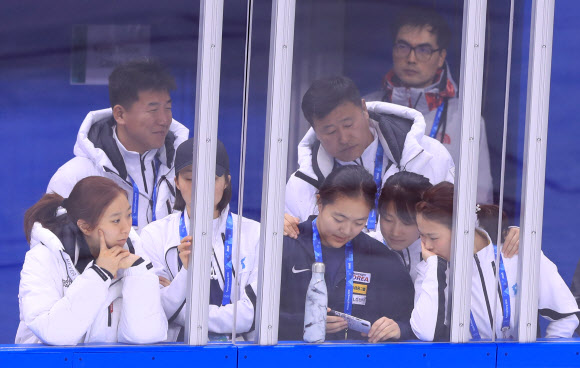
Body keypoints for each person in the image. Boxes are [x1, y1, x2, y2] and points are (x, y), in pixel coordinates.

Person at [284, 75, 455, 238]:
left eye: (348, 124)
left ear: (364, 109)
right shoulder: (302, 184)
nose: (344, 138)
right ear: (315, 131)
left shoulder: (429, 156)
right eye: (330, 131)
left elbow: (455, 229)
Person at [411, 182, 579, 341]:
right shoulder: (430, 269)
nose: (425, 246)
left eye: (432, 237)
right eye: (421, 235)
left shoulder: (516, 252)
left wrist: (542, 358)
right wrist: (434, 269)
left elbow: (566, 315)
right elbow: (426, 333)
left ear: (463, 229)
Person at [16, 176, 167, 345]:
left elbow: (145, 336)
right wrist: (100, 273)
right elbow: (53, 333)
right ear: (85, 226)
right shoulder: (43, 258)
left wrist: (138, 273)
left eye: (129, 215)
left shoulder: (134, 252)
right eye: (116, 220)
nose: (126, 228)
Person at [364, 7, 493, 204]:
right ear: (393, 50)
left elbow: (479, 199)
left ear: (441, 57)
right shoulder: (366, 110)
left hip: (436, 231)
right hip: (371, 229)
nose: (411, 58)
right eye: (403, 46)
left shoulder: (467, 120)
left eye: (423, 50)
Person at [47, 59, 189, 232]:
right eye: (153, 110)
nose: (164, 120)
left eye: (168, 108)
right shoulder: (75, 177)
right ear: (120, 114)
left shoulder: (185, 171)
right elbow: (53, 251)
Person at [140, 138, 260, 342]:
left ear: (226, 182)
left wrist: (180, 312)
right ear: (176, 182)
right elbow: (154, 311)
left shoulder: (255, 234)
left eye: (210, 178)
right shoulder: (154, 235)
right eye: (190, 179)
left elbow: (252, 315)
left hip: (237, 357)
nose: (200, 188)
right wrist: (186, 272)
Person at [279, 165, 415, 342]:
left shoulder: (382, 258)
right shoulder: (287, 245)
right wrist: (302, 324)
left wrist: (398, 329)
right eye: (338, 219)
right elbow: (255, 315)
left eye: (359, 222)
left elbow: (412, 321)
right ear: (320, 203)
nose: (346, 230)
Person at [372, 171, 520, 283]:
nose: (395, 232)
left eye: (407, 222)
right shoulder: (369, 247)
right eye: (388, 219)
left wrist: (516, 235)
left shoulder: (445, 248)